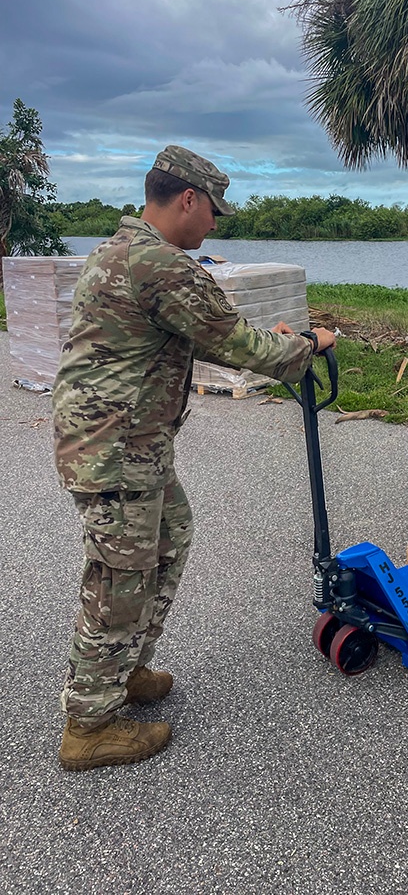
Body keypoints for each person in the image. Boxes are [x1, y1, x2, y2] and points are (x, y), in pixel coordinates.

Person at [53, 145, 336, 771]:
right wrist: (310, 344)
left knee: (171, 537)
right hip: (116, 451)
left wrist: (270, 340)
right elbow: (238, 345)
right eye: (212, 211)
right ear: (188, 199)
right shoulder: (161, 267)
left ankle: (124, 671)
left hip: (128, 444)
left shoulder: (117, 251)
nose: (214, 223)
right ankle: (90, 722)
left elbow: (203, 332)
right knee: (120, 575)